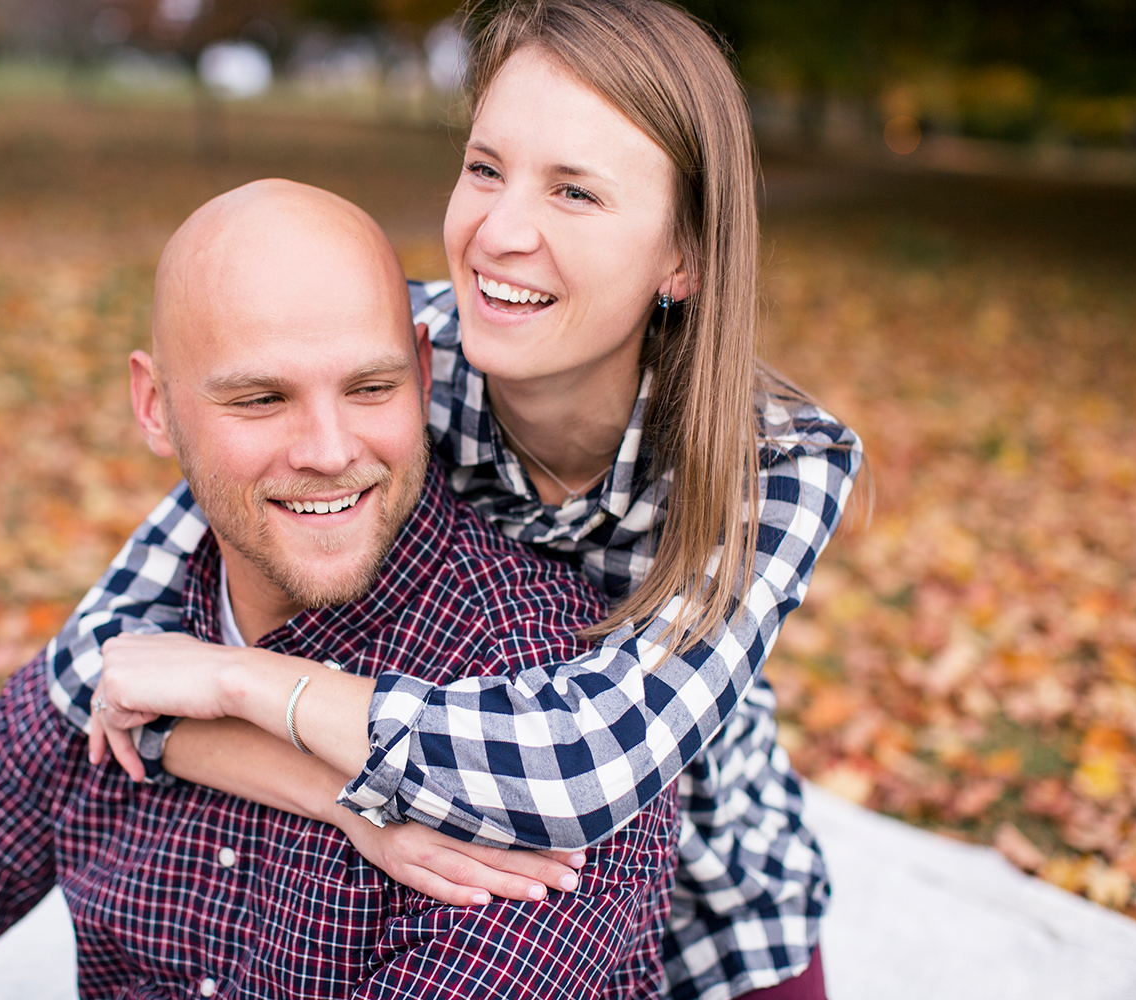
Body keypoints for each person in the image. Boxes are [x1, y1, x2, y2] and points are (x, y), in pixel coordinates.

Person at [61, 2, 861, 998]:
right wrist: (341, 800)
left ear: (682, 256)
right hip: (467, 885)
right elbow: (93, 663)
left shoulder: (771, 461)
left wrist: (234, 684)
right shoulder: (386, 366)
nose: (499, 232)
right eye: (486, 168)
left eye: (575, 191)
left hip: (718, 918)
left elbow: (582, 767)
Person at [0, 180, 683, 1000]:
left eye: (370, 388)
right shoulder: (136, 636)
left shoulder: (553, 705)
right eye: (260, 399)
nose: (330, 452)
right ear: (156, 405)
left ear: (427, 377)